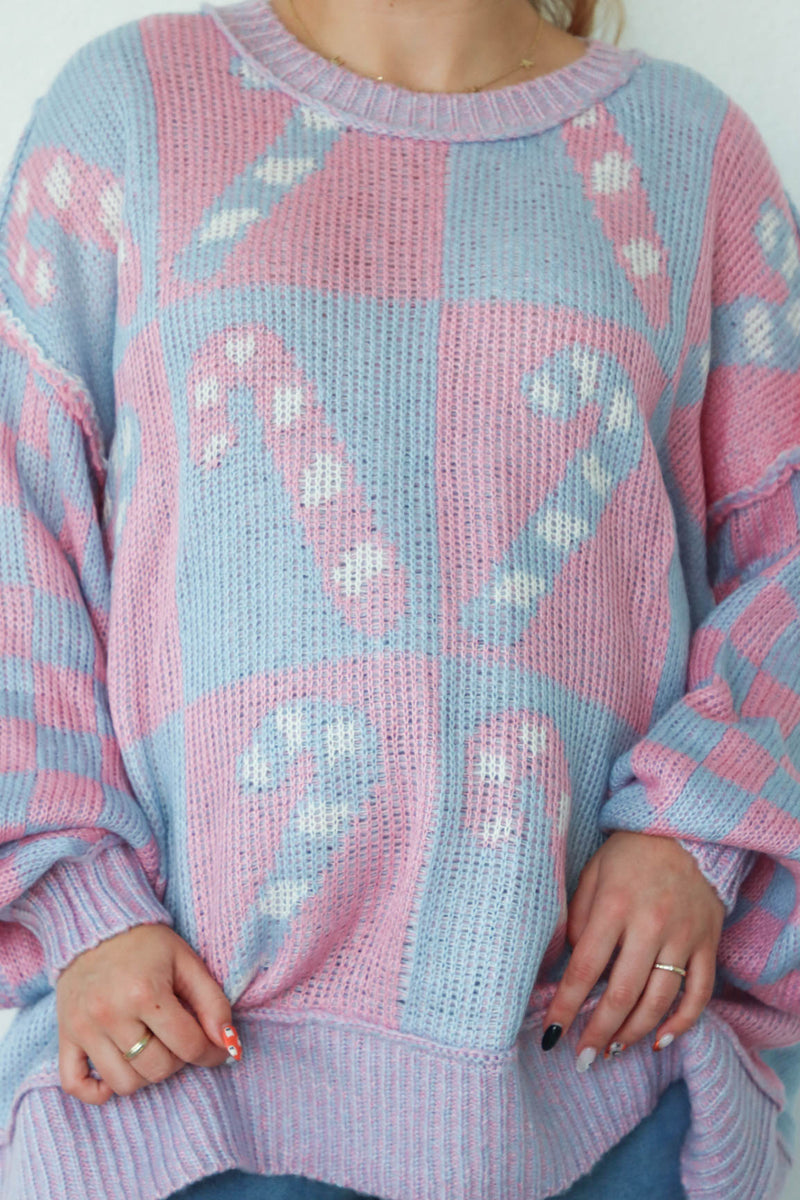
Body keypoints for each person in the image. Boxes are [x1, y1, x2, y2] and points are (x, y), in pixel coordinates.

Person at [0, 0, 799, 1196]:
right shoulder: (129, 110)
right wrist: (81, 901)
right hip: (181, 1089)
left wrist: (697, 831)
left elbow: (785, 543)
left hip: (597, 1085)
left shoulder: (693, 156)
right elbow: (19, 530)